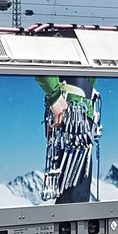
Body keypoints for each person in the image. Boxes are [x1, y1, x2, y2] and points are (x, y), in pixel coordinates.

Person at [36, 75, 101, 203]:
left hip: (79, 115)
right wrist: (55, 96)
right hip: (69, 111)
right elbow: (43, 61)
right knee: (73, 195)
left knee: (77, 193)